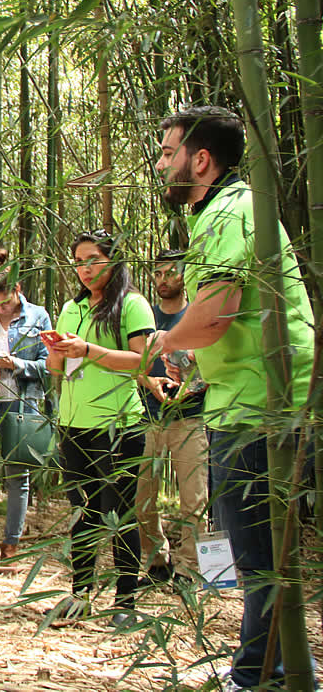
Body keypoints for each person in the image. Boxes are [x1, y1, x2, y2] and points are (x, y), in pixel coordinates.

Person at [153, 107, 314, 692]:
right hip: (246, 398)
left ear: (201, 160)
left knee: (261, 559)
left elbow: (215, 314)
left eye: (169, 152)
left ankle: (264, 677)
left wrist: (167, 341)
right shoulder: (229, 211)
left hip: (260, 407)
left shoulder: (228, 210)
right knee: (263, 559)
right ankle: (268, 672)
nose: (162, 164)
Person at [46, 229, 155, 627]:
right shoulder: (71, 309)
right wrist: (56, 353)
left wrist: (88, 350)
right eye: (78, 262)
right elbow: (57, 370)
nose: (84, 269)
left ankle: (125, 599)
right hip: (74, 424)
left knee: (121, 514)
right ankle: (81, 594)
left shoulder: (133, 305)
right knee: (83, 512)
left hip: (119, 425)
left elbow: (141, 363)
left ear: (112, 259)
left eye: (92, 259)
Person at [0, 248, 52, 573]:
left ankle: (10, 546)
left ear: (18, 290)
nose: (0, 308)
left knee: (18, 476)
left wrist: (16, 364)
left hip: (22, 402)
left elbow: (50, 365)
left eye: (4, 301)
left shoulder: (38, 317)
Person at [134, 249, 208, 586]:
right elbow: (132, 362)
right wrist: (149, 382)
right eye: (158, 274)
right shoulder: (144, 317)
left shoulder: (199, 314)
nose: (164, 280)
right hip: (150, 415)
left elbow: (212, 359)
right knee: (142, 497)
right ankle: (156, 562)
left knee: (194, 499)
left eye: (171, 273)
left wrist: (193, 386)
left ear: (184, 275)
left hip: (192, 416)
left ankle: (190, 569)